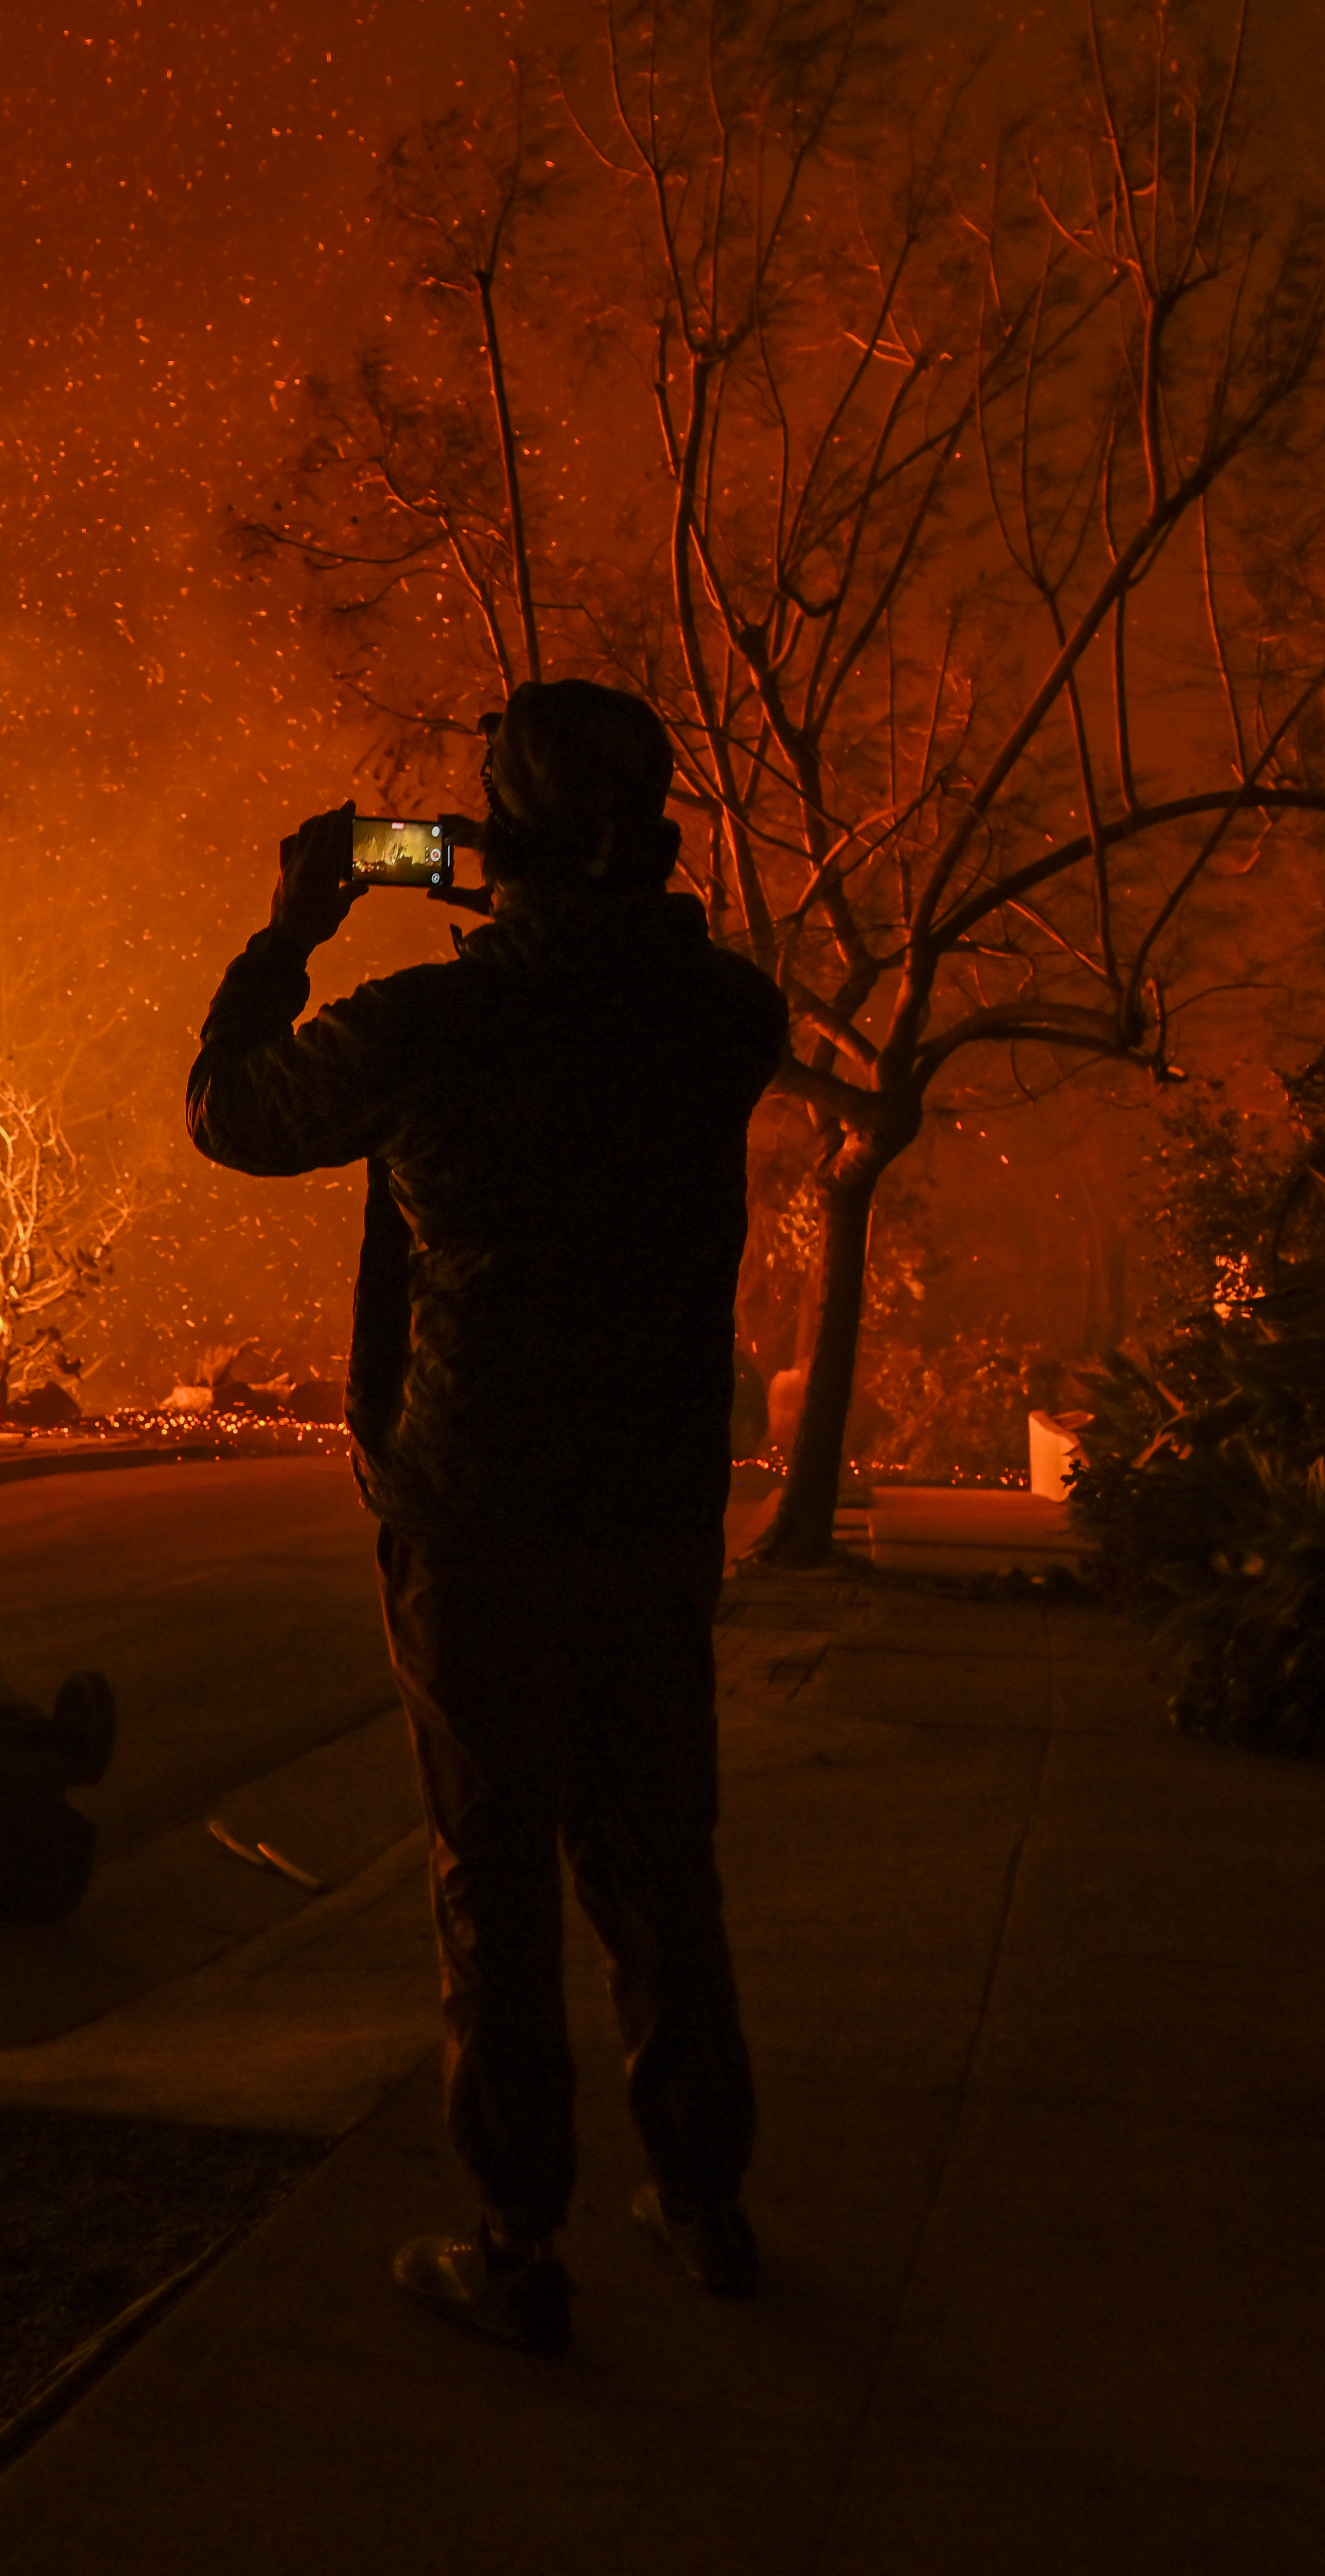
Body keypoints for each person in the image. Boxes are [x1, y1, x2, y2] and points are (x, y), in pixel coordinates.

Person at [186, 678, 787, 2354]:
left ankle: (520, 2236)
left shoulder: (431, 1030)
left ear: (496, 848)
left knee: (495, 1873)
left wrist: (296, 927)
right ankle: (704, 2198)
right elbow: (637, 969)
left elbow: (232, 1109)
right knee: (662, 1860)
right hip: (658, 1505)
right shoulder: (725, 1018)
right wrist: (536, 883)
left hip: (475, 1510)